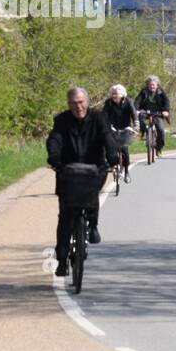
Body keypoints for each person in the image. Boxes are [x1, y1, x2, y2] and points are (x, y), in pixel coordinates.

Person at [46, 87, 120, 276]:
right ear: (68, 104)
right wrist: (54, 159)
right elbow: (54, 140)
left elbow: (108, 138)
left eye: (81, 102)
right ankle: (62, 260)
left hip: (94, 169)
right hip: (68, 171)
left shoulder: (99, 118)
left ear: (87, 102)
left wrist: (112, 157)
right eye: (73, 103)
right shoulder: (62, 120)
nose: (78, 106)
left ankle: (92, 224)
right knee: (65, 217)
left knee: (92, 197)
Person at [134, 75, 171, 153]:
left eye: (153, 85)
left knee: (161, 130)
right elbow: (137, 101)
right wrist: (136, 109)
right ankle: (145, 132)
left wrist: (166, 111)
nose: (152, 86)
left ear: (157, 85)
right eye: (150, 85)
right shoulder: (144, 91)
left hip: (158, 113)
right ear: (147, 85)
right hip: (145, 111)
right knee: (139, 118)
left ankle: (159, 147)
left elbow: (166, 101)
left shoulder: (161, 92)